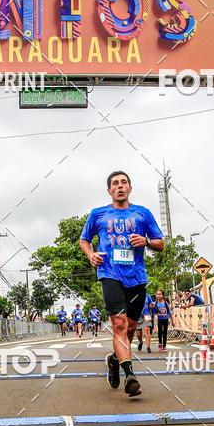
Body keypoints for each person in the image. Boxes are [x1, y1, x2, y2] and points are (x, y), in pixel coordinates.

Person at [80, 170, 164, 396]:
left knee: (127, 330)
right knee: (118, 325)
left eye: (123, 182)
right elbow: (84, 240)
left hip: (136, 278)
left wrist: (145, 241)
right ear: (109, 190)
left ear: (129, 188)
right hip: (109, 274)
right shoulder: (98, 214)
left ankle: (115, 362)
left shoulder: (142, 213)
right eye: (115, 183)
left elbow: (160, 243)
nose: (119, 186)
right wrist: (90, 255)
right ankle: (130, 375)